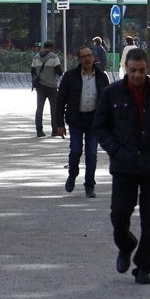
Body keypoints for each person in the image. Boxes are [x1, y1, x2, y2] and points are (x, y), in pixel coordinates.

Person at [92, 48, 150, 286]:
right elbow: (100, 127)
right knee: (119, 214)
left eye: (141, 70)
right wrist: (116, 150)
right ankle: (126, 245)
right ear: (126, 69)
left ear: (147, 69)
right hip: (124, 165)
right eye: (133, 70)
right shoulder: (112, 93)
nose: (137, 75)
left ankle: (144, 267)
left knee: (149, 219)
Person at [54, 45, 109, 197]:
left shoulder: (102, 77)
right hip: (76, 119)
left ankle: (89, 185)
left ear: (93, 57)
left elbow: (108, 101)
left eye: (89, 55)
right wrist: (59, 124)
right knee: (76, 151)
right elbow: (60, 101)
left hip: (94, 121)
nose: (87, 58)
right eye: (83, 56)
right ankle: (72, 174)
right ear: (78, 60)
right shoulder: (70, 76)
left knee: (91, 153)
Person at [30, 41, 63, 137]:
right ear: (52, 47)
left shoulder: (36, 57)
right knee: (54, 108)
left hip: (40, 86)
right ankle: (54, 130)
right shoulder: (54, 57)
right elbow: (59, 72)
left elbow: (32, 71)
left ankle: (39, 130)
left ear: (43, 47)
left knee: (39, 108)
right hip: (52, 86)